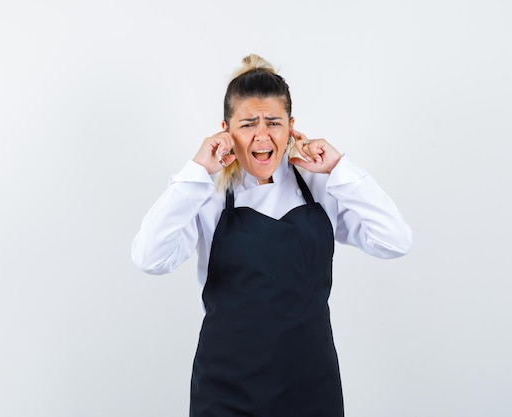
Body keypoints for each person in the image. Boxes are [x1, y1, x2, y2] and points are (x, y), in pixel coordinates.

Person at [131, 54, 412, 417]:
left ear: (291, 127)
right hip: (226, 391)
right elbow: (149, 257)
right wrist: (197, 170)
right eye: (248, 124)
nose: (262, 136)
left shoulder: (320, 186)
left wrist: (341, 168)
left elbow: (395, 241)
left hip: (312, 387)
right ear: (225, 129)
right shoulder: (206, 194)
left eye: (274, 123)